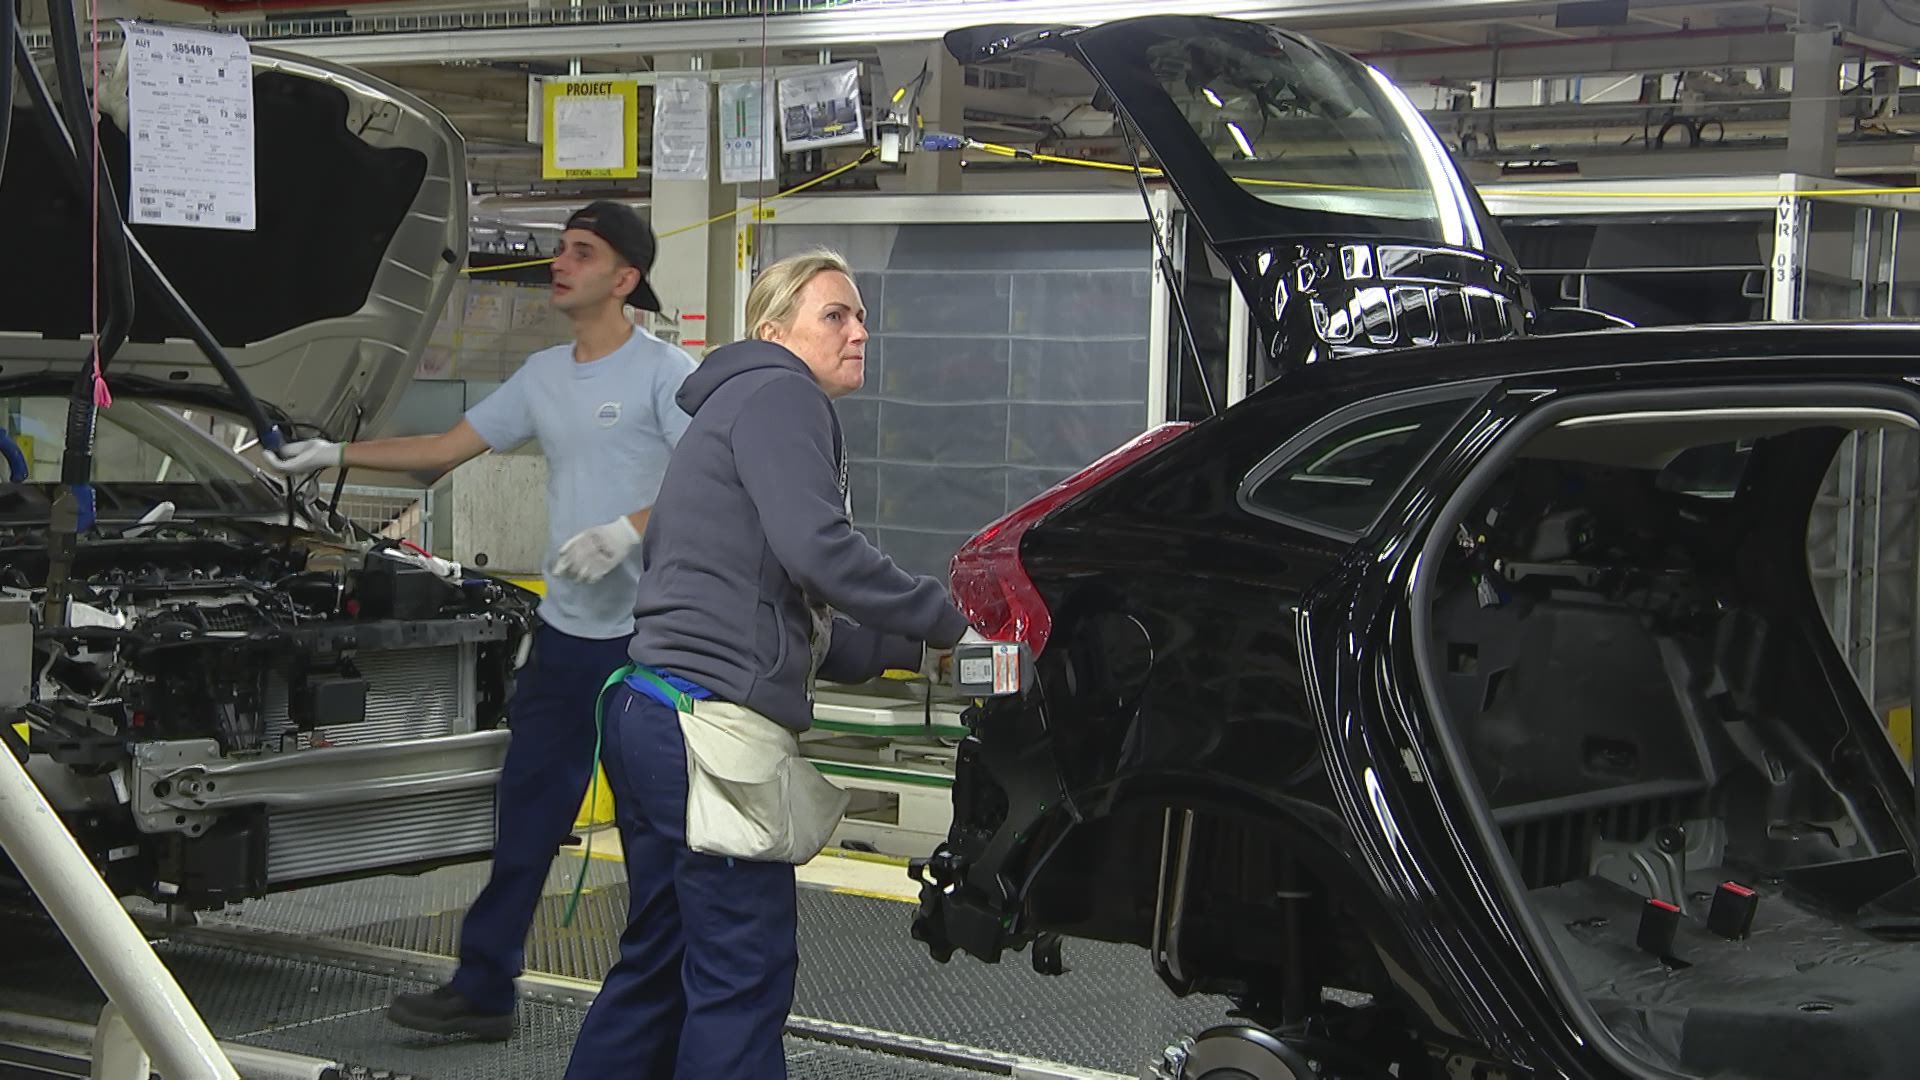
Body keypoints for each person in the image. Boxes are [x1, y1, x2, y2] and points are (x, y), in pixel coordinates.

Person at [260, 200, 698, 1042]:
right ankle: (485, 987)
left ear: (626, 278)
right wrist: (332, 454)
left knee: (652, 834)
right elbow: (444, 448)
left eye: (581, 252)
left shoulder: (665, 374)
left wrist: (628, 531)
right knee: (525, 816)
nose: (559, 263)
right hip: (568, 640)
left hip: (648, 645)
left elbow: (710, 476)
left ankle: (661, 1006)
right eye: (560, 249)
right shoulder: (543, 375)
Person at [562, 249, 970, 1078]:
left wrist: (917, 652)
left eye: (862, 317)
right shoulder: (783, 394)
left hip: (649, 714)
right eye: (835, 315)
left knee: (660, 965)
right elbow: (821, 552)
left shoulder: (737, 406)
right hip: (706, 734)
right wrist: (952, 621)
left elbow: (788, 618)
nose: (859, 332)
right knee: (741, 974)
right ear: (774, 332)